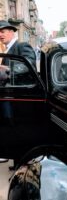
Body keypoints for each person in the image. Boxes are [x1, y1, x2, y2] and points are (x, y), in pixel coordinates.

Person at [0, 20, 36, 169]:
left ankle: (21, 165)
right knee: (10, 128)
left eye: (2, 31)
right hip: (9, 95)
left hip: (19, 97)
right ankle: (16, 162)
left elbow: (28, 64)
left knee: (16, 129)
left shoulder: (21, 46)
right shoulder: (7, 49)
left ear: (11, 31)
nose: (0, 35)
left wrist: (5, 68)